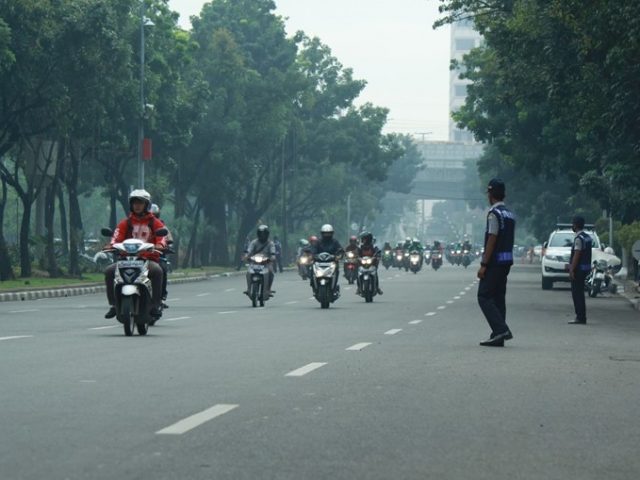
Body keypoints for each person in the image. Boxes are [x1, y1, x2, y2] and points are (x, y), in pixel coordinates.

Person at [104, 190, 166, 320]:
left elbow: (162, 238)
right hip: (126, 259)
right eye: (135, 203)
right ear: (131, 205)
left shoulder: (155, 222)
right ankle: (114, 305)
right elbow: (116, 238)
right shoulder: (125, 223)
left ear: (146, 205)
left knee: (158, 271)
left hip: (147, 260)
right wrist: (111, 245)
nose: (137, 205)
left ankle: (155, 305)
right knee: (109, 271)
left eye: (140, 203)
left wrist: (160, 245)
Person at [477, 178, 515, 347]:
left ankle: (500, 329)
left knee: (484, 295)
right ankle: (498, 335)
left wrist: (484, 264)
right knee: (499, 297)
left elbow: (492, 238)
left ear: (491, 194)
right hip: (507, 261)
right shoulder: (509, 214)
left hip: (495, 261)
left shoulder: (494, 214)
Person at [568, 215, 592, 325]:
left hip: (579, 270)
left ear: (575, 225)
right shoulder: (587, 237)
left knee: (577, 294)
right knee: (580, 294)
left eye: (573, 224)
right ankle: (582, 316)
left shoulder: (579, 239)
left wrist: (572, 269)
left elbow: (577, 254)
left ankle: (580, 317)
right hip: (585, 268)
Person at [243, 225, 276, 297]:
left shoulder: (270, 243)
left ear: (267, 234)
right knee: (248, 272)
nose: (262, 235)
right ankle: (249, 289)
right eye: (261, 234)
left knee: (271, 272)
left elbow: (273, 254)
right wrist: (246, 256)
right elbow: (249, 250)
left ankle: (268, 289)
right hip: (254, 261)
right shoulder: (254, 242)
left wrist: (272, 258)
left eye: (264, 234)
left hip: (266, 262)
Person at [311, 224, 344, 295]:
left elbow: (340, 250)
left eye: (329, 233)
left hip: (331, 263)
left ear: (332, 233)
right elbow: (313, 250)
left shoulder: (335, 242)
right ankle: (313, 285)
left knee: (336, 270)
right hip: (319, 262)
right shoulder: (318, 242)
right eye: (325, 233)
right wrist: (313, 255)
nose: (327, 235)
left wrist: (338, 255)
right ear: (322, 234)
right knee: (312, 269)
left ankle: (334, 287)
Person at [150, 203, 172, 306]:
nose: (151, 217)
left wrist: (163, 245)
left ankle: (161, 295)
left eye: (154, 215)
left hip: (157, 256)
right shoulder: (135, 225)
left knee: (162, 269)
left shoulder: (161, 226)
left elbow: (168, 239)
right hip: (138, 256)